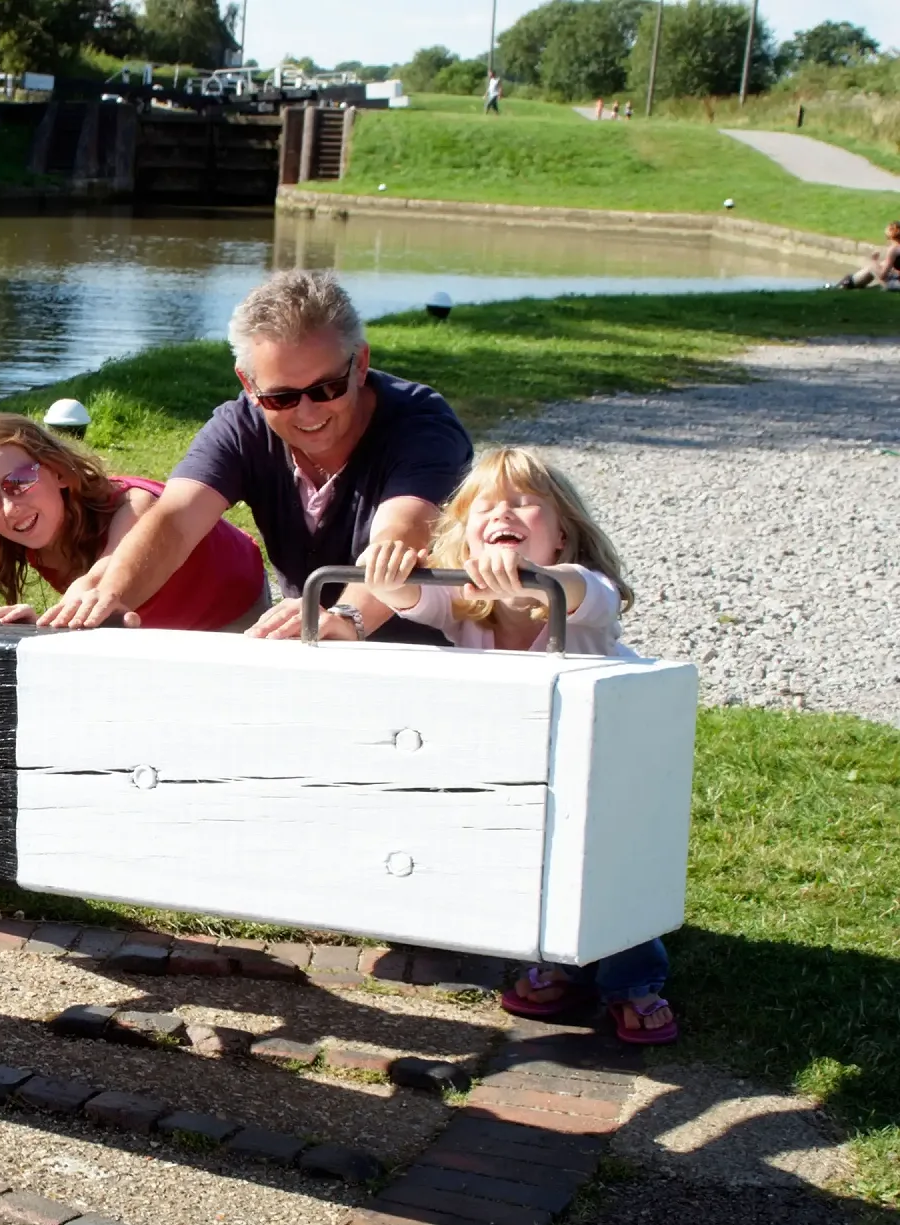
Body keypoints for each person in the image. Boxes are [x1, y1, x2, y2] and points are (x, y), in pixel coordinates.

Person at [356, 446, 676, 1044]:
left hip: (612, 762)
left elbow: (588, 592)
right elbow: (412, 599)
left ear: (560, 538)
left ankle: (634, 981)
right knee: (541, 862)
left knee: (614, 868)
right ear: (465, 542)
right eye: (488, 508)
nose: (505, 514)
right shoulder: (464, 606)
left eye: (527, 506)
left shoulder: (581, 598)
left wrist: (542, 585)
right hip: (535, 764)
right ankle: (559, 964)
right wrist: (390, 573)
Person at [39, 269, 472, 643]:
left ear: (359, 365)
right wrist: (103, 599)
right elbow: (172, 522)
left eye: (327, 389)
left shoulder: (422, 425)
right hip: (306, 642)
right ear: (248, 384)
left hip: (420, 653)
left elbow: (401, 533)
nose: (308, 413)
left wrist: (345, 620)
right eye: (281, 397)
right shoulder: (240, 425)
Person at [0, 412, 268, 631]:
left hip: (235, 611)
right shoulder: (6, 529)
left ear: (59, 472)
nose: (9, 508)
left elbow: (106, 575)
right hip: (147, 625)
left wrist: (42, 624)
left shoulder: (133, 505)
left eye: (19, 482)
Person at [836, 220, 900, 289]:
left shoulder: (893, 250)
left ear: (890, 237)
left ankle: (846, 284)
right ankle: (849, 282)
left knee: (871, 266)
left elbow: (882, 275)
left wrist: (874, 261)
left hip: (896, 284)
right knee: (883, 264)